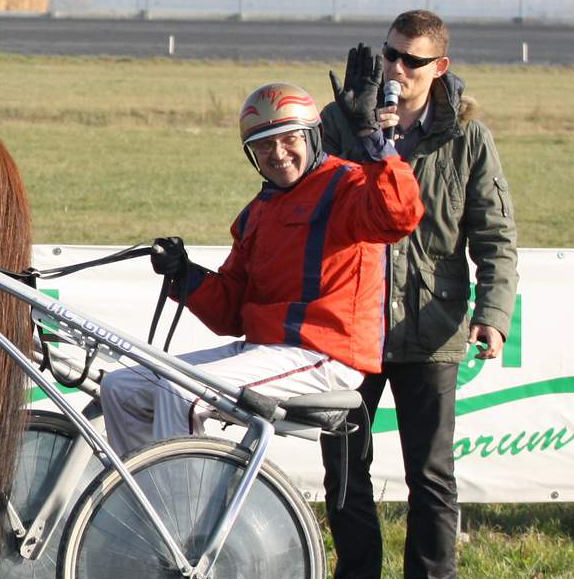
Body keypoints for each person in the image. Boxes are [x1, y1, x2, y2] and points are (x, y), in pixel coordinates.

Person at [317, 11, 518, 579]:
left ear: (440, 68)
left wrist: (493, 315)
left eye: (412, 60)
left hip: (432, 327)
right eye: (390, 55)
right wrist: (353, 127)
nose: (397, 70)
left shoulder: (466, 137)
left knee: (429, 473)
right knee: (345, 467)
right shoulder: (341, 121)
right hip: (352, 323)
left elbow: (495, 235)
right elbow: (306, 199)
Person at [100, 82, 422, 465]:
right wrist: (185, 276)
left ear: (312, 137)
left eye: (289, 139)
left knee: (180, 392)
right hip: (265, 350)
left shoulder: (350, 185)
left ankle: (178, 514)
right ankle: (139, 502)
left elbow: (399, 217)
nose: (278, 154)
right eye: (264, 145)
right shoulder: (257, 213)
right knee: (121, 387)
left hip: (325, 354)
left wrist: (371, 137)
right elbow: (231, 314)